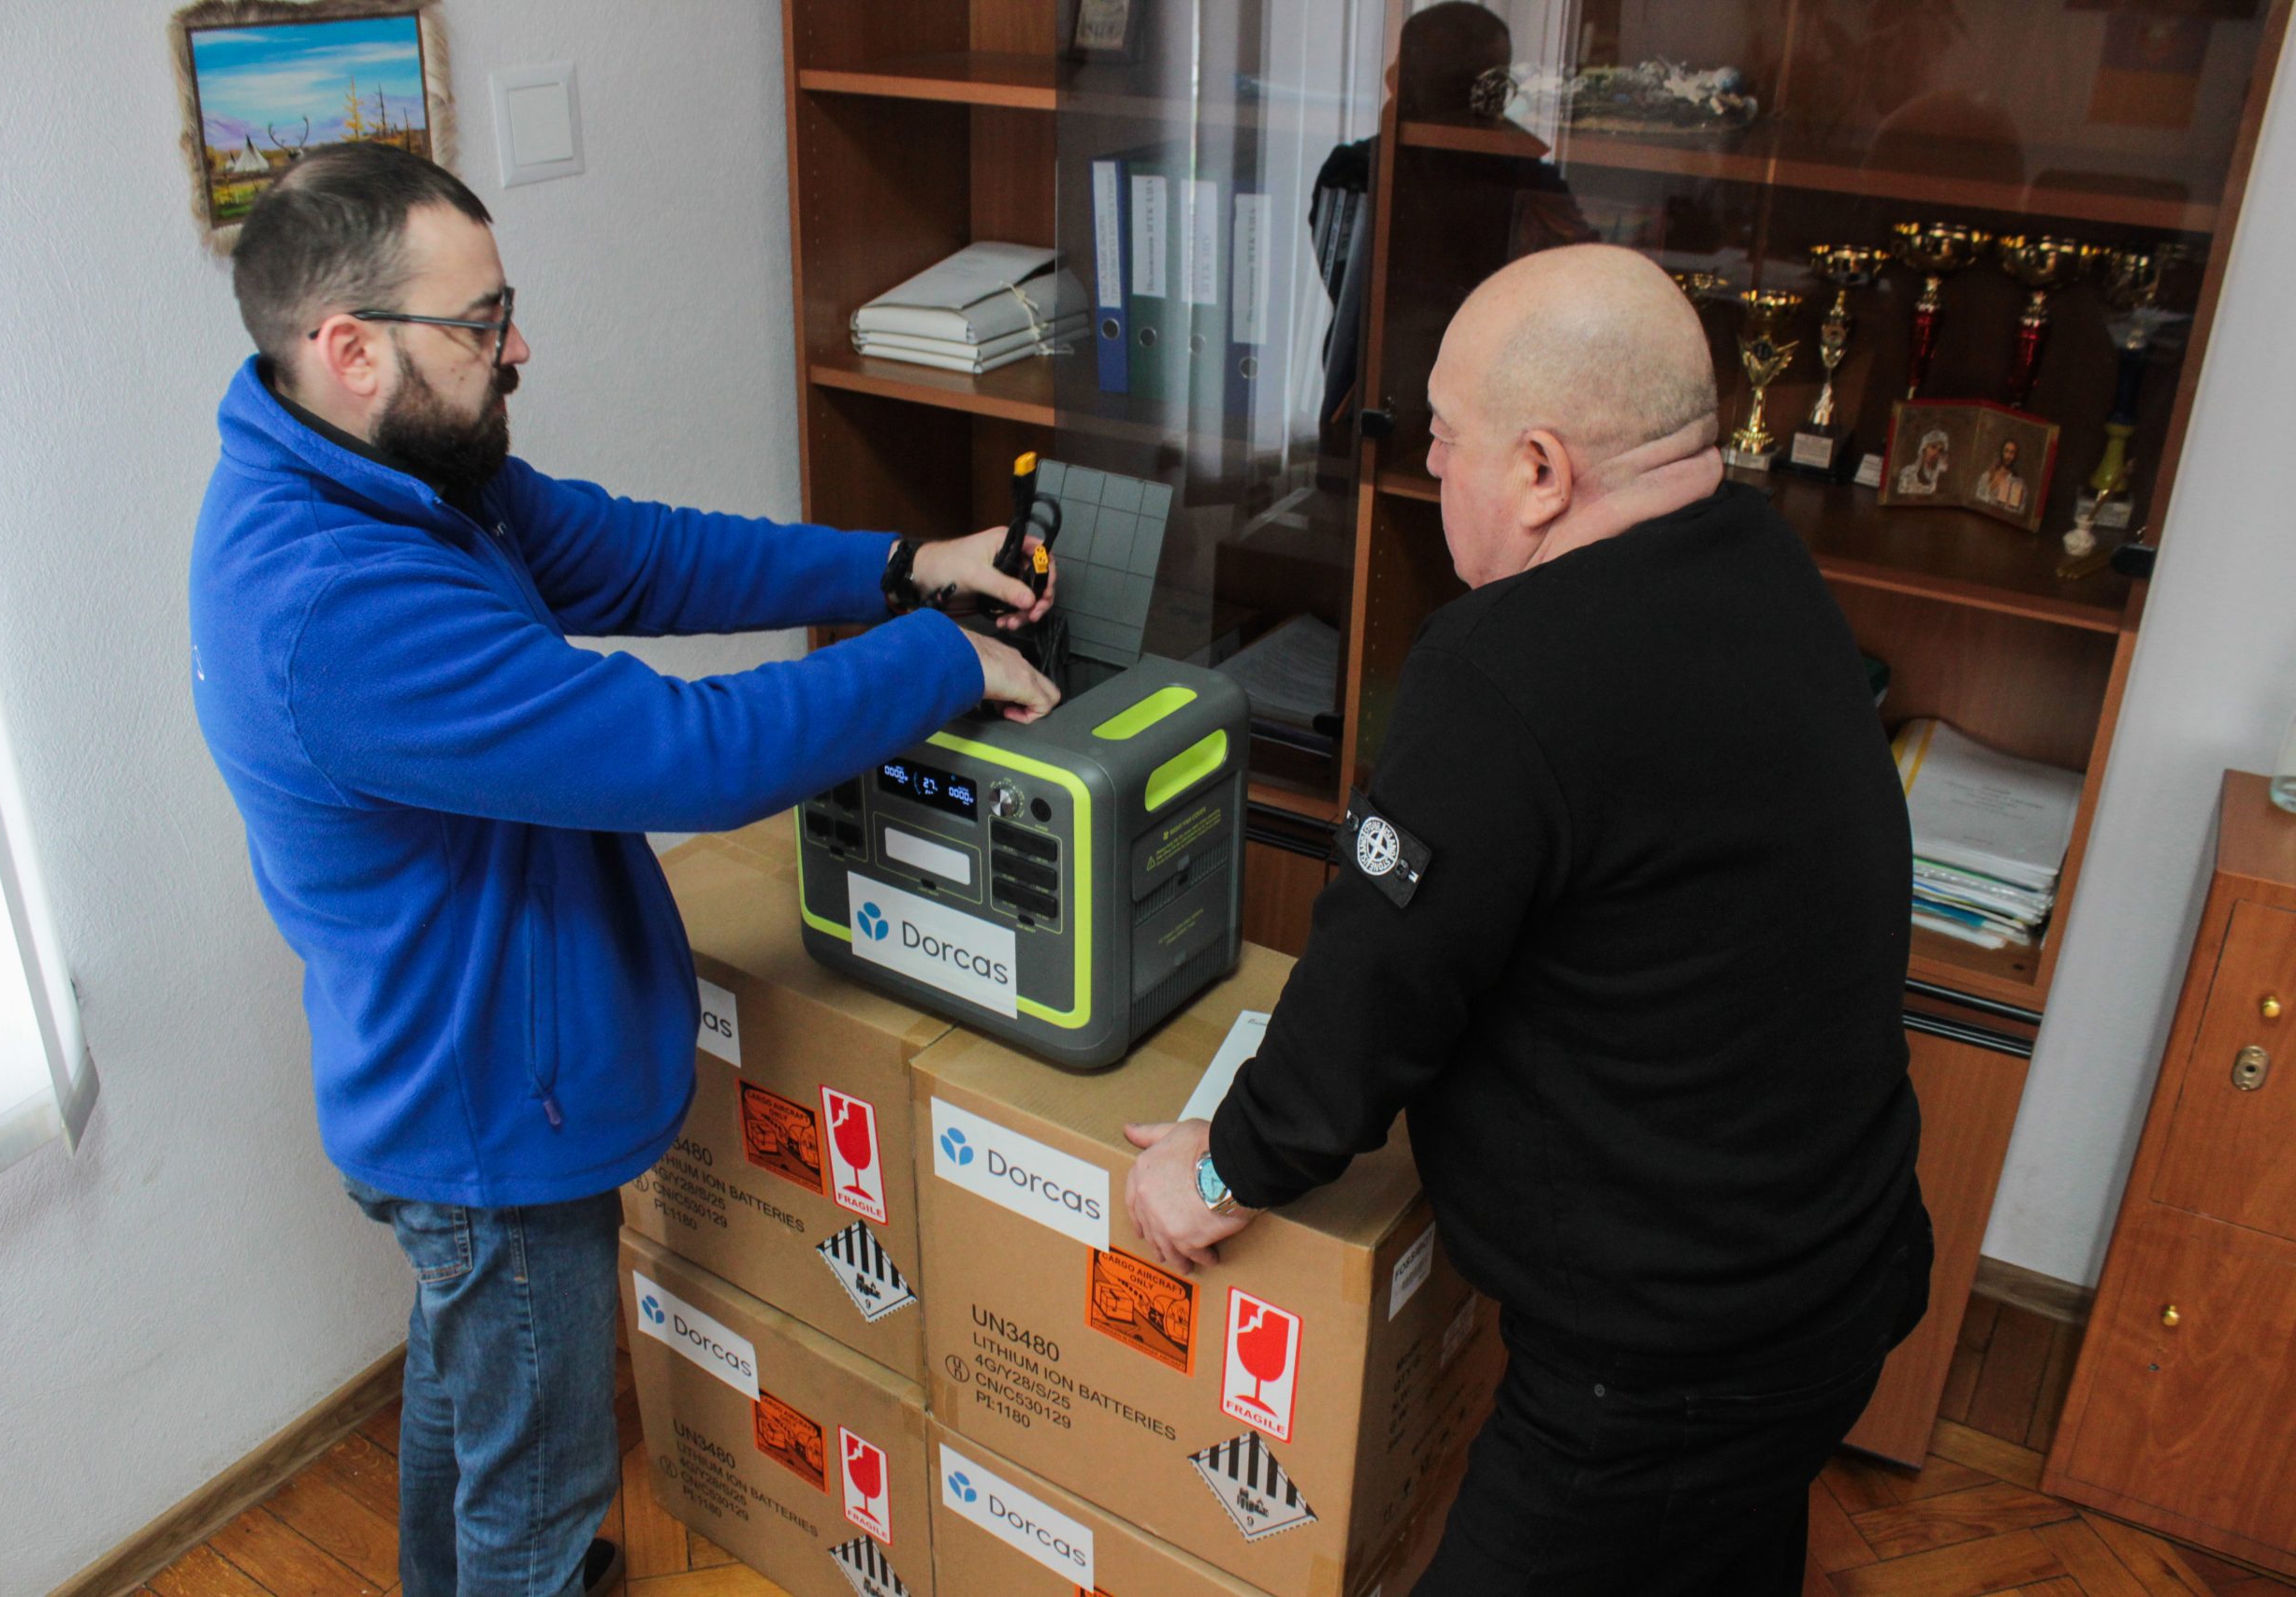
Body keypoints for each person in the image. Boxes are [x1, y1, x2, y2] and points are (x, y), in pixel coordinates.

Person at [188, 143, 1057, 1597]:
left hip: (454, 1067)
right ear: (349, 349)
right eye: (482, 323)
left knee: (467, 1394)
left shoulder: (395, 472)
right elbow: (684, 753)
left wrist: (904, 563)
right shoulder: (334, 604)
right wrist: (944, 659)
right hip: (485, 1109)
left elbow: (639, 557)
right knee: (538, 1497)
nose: (517, 347)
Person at [1124, 244, 1929, 1595]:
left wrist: (1217, 1172)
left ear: (1543, 469)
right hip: (1844, 1264)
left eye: (1446, 437)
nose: (1430, 465)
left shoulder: (1505, 668)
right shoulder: (1760, 560)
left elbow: (1376, 988)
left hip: (1673, 1358)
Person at [1976, 437, 2026, 513]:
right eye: (2006, 451)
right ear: (2002, 453)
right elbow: (1978, 497)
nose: (2008, 456)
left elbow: (2015, 511)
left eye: (2012, 453)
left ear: (2015, 456)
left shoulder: (2017, 483)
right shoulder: (1987, 475)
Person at [1896, 428, 1951, 495]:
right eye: (1933, 447)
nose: (1936, 453)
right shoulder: (1907, 473)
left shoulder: (1941, 476)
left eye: (1940, 450)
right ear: (1924, 448)